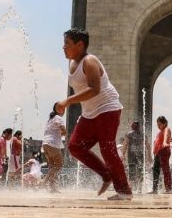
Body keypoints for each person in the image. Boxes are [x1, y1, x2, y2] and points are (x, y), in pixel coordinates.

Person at [55, 28, 132, 201]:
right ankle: (106, 174)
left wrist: (67, 101)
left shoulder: (89, 61)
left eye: (67, 43)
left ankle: (124, 191)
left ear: (80, 44)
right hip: (90, 113)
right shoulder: (73, 63)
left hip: (107, 108)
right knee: (75, 146)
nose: (63, 47)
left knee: (107, 148)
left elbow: (94, 89)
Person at [42, 107, 67, 192]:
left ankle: (52, 187)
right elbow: (64, 131)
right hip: (53, 144)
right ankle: (43, 182)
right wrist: (62, 134)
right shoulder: (58, 118)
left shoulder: (50, 119)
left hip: (45, 144)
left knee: (52, 167)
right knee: (59, 165)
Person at [149, 116, 172, 194]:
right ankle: (154, 189)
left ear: (165, 123)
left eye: (160, 124)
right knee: (155, 171)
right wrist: (154, 151)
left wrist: (165, 142)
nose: (158, 126)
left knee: (165, 170)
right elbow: (156, 142)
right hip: (158, 153)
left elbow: (166, 135)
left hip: (164, 151)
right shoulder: (159, 132)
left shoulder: (166, 129)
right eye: (157, 124)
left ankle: (168, 189)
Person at [121, 121, 145, 193]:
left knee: (131, 171)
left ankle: (131, 188)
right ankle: (140, 189)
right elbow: (147, 145)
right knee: (140, 171)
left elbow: (125, 144)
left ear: (132, 126)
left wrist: (123, 154)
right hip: (140, 155)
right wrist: (149, 155)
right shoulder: (142, 134)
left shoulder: (129, 134)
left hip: (131, 155)